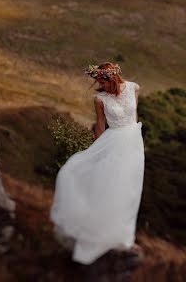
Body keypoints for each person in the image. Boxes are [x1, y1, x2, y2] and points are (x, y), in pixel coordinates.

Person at [49, 62, 145, 264]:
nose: (100, 84)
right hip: (113, 144)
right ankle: (99, 232)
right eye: (98, 81)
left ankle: (123, 236)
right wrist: (97, 152)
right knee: (110, 186)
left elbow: (134, 117)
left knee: (130, 189)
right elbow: (100, 127)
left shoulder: (133, 88)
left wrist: (137, 142)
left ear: (113, 78)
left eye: (103, 80)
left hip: (133, 145)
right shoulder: (99, 99)